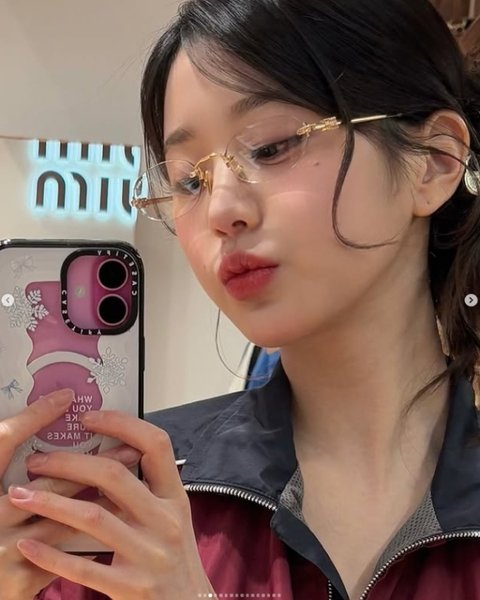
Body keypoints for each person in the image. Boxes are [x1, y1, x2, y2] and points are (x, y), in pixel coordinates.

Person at [2, 0, 480, 598]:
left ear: (434, 162)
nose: (221, 209)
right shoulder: (123, 497)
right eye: (189, 180)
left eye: (272, 146)